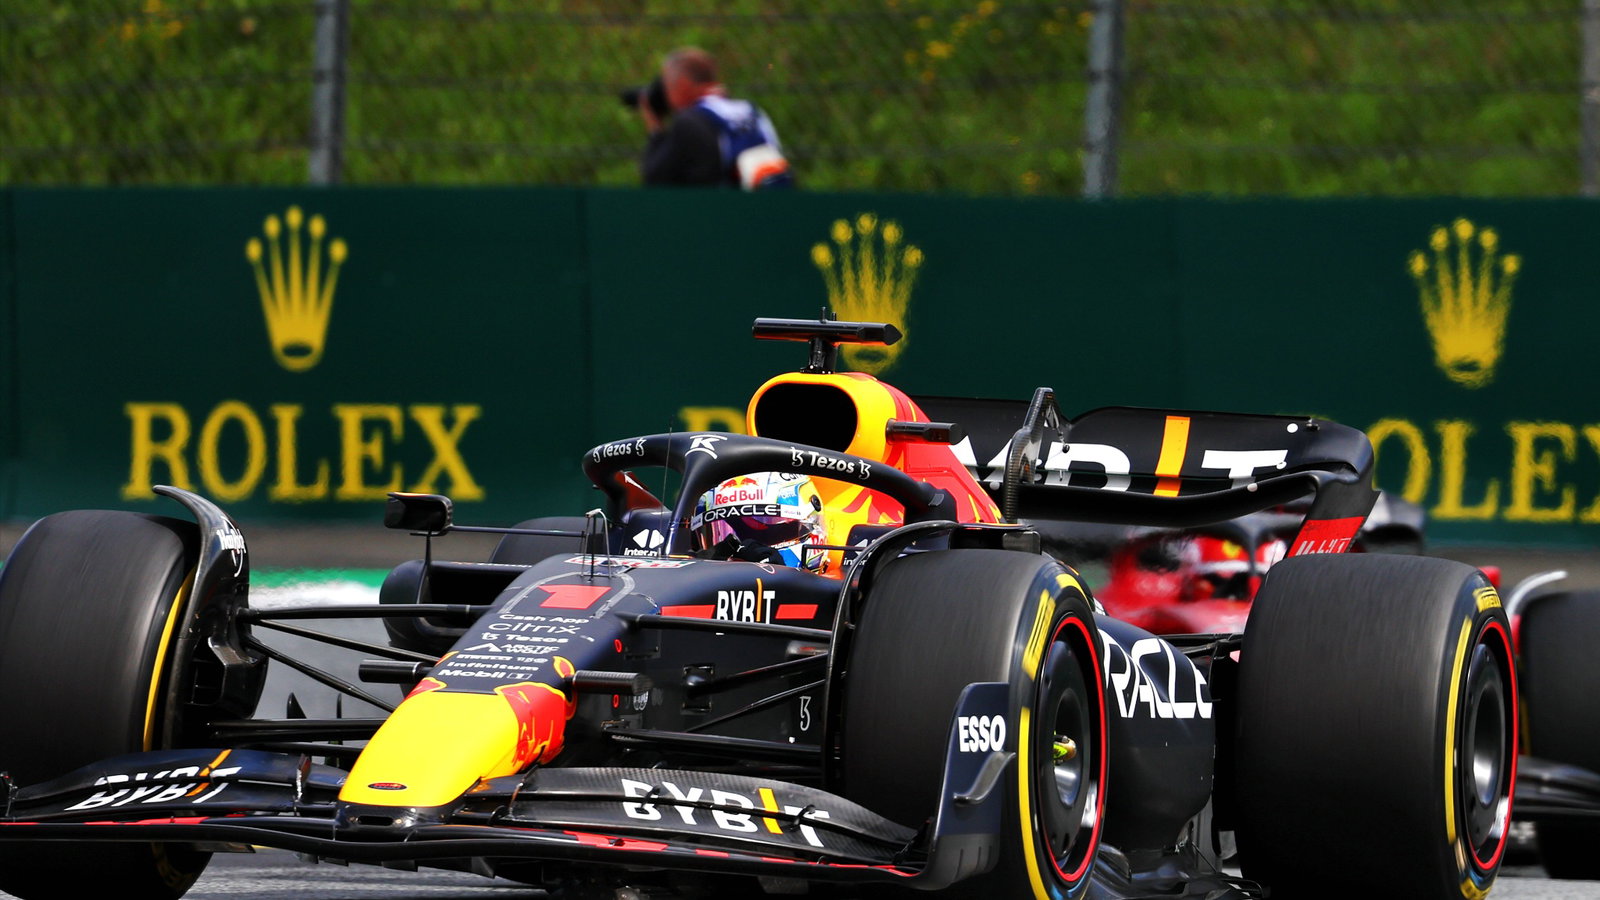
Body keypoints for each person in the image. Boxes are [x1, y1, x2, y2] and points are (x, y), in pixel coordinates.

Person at [637, 47, 794, 189]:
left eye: (668, 87)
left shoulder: (689, 121)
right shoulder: (751, 110)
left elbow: (655, 179)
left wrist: (655, 128)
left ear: (683, 85)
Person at [691, 472, 830, 572]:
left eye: (769, 535)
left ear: (812, 524)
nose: (745, 550)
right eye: (724, 534)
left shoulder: (845, 586)